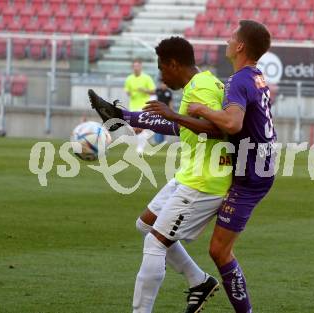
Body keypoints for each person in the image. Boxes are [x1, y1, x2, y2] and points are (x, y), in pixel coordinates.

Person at [135, 20, 275, 312]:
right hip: (255, 168)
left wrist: (198, 110)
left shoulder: (237, 80)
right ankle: (200, 282)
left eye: (232, 36)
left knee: (215, 251)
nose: (227, 38)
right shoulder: (255, 77)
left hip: (247, 176)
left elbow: (232, 124)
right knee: (209, 248)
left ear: (240, 46)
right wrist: (136, 118)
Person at [88, 37, 232, 313]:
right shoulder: (207, 82)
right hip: (192, 174)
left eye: (162, 69)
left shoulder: (200, 87)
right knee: (145, 226)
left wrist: (173, 116)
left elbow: (218, 129)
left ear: (173, 64)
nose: (162, 77)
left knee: (155, 241)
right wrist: (125, 116)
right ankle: (198, 280)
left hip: (203, 182)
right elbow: (182, 127)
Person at [124, 58, 156, 154]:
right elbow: (127, 90)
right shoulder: (129, 79)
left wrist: (144, 90)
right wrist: (129, 93)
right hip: (133, 106)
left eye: (138, 66)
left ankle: (140, 148)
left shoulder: (147, 78)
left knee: (139, 127)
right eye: (134, 66)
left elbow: (153, 91)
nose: (136, 68)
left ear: (141, 67)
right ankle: (144, 137)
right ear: (132, 67)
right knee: (135, 128)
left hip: (143, 106)